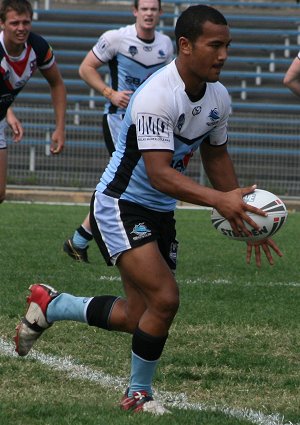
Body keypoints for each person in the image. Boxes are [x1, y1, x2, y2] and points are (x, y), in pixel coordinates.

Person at [15, 5, 283, 415]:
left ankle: (53, 304)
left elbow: (216, 156)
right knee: (165, 298)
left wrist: (244, 213)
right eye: (215, 45)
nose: (224, 54)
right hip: (120, 203)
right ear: (186, 45)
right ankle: (139, 395)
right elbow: (159, 174)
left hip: (158, 211)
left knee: (136, 314)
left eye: (228, 45)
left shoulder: (219, 96)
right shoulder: (157, 95)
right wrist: (220, 200)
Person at [63, 0, 174, 263]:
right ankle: (89, 239)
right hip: (119, 122)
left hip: (150, 124)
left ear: (160, 13)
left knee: (131, 181)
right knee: (124, 179)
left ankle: (80, 239)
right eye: (144, 9)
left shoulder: (166, 44)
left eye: (153, 9)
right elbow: (85, 68)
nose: (148, 13)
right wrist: (109, 93)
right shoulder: (115, 39)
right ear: (135, 11)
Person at [0, 0, 66, 203]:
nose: (21, 28)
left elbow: (57, 84)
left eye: (25, 22)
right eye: (14, 23)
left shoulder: (38, 47)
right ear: (2, 23)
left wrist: (60, 127)